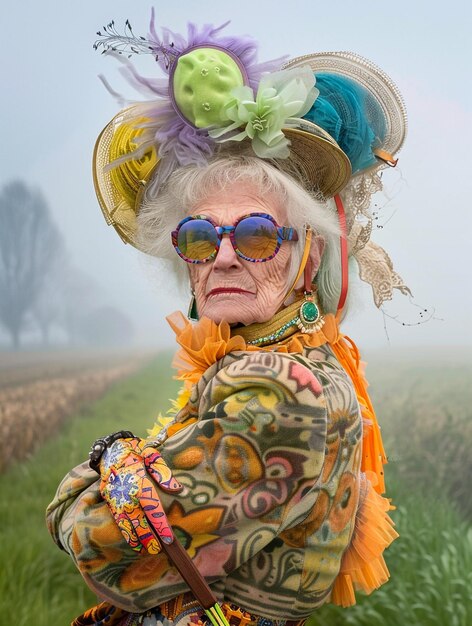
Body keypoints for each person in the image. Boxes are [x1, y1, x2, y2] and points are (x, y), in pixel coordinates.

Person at [47, 14, 409, 626]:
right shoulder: (286, 357)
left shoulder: (278, 388)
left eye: (257, 234)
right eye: (198, 237)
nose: (223, 257)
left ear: (306, 256)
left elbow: (102, 546)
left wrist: (87, 483)